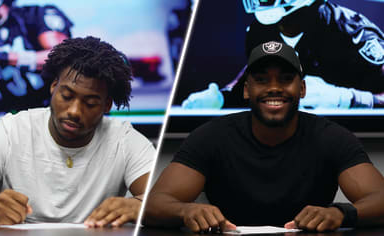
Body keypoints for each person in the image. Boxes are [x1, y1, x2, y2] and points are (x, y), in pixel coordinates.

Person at [144, 41, 384, 233]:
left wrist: (341, 213)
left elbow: (380, 198)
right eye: (261, 80)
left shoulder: (332, 137)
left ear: (302, 89)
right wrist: (185, 211)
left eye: (285, 79)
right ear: (246, 90)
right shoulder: (212, 135)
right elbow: (152, 204)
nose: (274, 88)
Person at [0, 36, 155, 227]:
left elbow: (164, 202)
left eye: (90, 103)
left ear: (106, 105)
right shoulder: (10, 131)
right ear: (53, 87)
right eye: (66, 96)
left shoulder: (124, 140)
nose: (74, 111)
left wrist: (139, 206)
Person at [181, 0, 384, 109]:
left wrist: (350, 99)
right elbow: (251, 88)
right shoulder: (260, 32)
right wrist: (221, 99)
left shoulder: (352, 32)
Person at [0, 0, 72, 114]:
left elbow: (63, 58)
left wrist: (11, 58)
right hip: (19, 114)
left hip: (55, 108)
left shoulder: (34, 15)